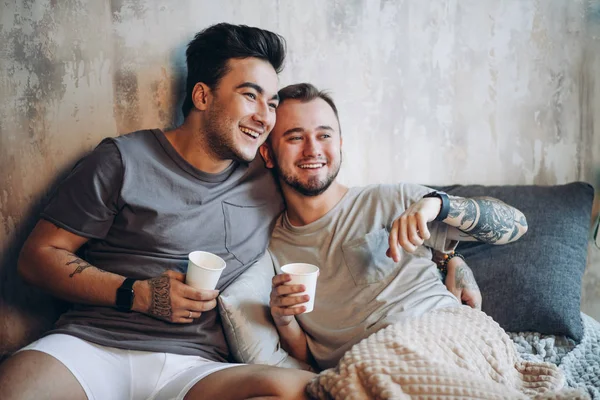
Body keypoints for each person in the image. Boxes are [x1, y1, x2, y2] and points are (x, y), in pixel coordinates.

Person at [0, 24, 315, 400]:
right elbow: (36, 258)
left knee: (301, 391)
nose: (265, 117)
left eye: (273, 104)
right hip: (92, 345)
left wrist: (407, 211)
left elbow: (331, 188)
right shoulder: (121, 160)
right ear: (202, 96)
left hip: (196, 367)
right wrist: (140, 294)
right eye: (251, 96)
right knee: (16, 388)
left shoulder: (268, 178)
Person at [260, 83, 528, 370]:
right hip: (368, 367)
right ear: (268, 155)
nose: (313, 150)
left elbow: (516, 224)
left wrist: (438, 206)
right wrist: (283, 319)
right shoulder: (273, 249)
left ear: (339, 143)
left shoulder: (391, 199)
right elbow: (308, 356)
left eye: (324, 135)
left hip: (447, 337)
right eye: (295, 137)